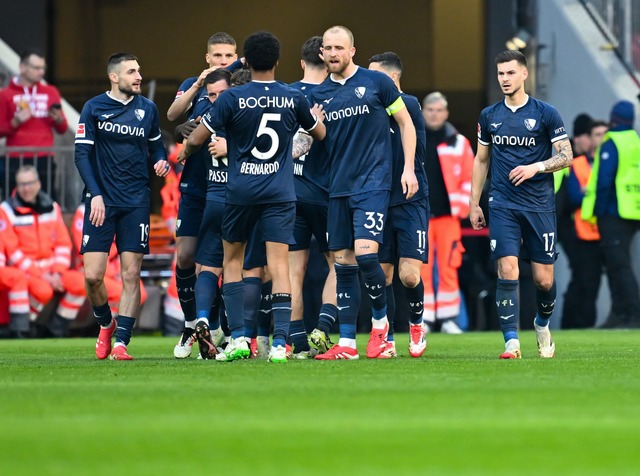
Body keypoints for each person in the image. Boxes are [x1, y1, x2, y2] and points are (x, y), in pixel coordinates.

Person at [178, 31, 326, 363]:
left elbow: (199, 136)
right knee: (278, 265)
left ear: (245, 59)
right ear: (277, 61)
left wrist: (185, 150)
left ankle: (241, 338)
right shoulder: (292, 97)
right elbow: (319, 132)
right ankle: (279, 345)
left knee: (231, 262)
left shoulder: (231, 98)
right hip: (280, 192)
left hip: (241, 191)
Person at [309, 26, 418, 360]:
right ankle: (346, 344)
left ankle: (381, 329)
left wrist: (408, 167)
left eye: (338, 47)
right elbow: (323, 139)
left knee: (367, 255)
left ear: (352, 51)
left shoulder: (377, 83)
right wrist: (313, 126)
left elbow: (405, 123)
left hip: (373, 183)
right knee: (343, 264)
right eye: (327, 48)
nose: (332, 53)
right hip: (338, 187)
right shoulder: (319, 93)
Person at [470, 50, 572, 359]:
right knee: (507, 268)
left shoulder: (546, 114)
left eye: (510, 73)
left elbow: (566, 156)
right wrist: (474, 203)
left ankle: (542, 325)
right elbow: (481, 159)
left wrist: (536, 168)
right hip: (502, 203)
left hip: (539, 206)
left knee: (543, 280)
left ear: (524, 74)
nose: (504, 79)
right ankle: (511, 343)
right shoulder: (489, 116)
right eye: (500, 73)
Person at [74, 52, 170, 360]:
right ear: (114, 77)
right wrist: (96, 194)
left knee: (132, 274)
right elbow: (81, 156)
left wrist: (159, 161)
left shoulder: (148, 109)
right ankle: (106, 322)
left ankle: (122, 343)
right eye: (131, 72)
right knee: (92, 277)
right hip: (101, 202)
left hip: (135, 201)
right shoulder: (94, 108)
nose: (138, 76)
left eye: (139, 70)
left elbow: (156, 146)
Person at [168, 32, 239, 359]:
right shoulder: (196, 87)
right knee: (185, 256)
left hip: (227, 188)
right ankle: (190, 325)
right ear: (207, 58)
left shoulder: (238, 87)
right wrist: (184, 128)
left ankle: (220, 327)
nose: (223, 61)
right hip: (195, 187)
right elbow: (172, 116)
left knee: (223, 263)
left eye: (228, 55)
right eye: (217, 56)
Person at [367, 52, 429, 358]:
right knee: (382, 274)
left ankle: (417, 323)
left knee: (408, 275)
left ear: (391, 79)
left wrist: (406, 169)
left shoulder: (410, 104)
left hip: (409, 199)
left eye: (374, 76)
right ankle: (387, 337)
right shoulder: (368, 108)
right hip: (377, 198)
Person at [287, 35, 337, 359]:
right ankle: (323, 326)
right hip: (325, 191)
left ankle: (296, 340)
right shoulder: (334, 95)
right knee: (340, 262)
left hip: (288, 192)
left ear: (302, 63)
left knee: (293, 270)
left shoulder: (285, 95)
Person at [0, 165, 85, 337]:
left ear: (38, 184)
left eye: (30, 183)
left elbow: (63, 244)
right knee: (43, 290)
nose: (26, 188)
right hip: (26, 271)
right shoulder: (6, 210)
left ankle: (57, 328)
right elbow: (13, 252)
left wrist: (57, 273)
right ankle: (25, 328)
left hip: (53, 270)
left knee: (82, 283)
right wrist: (42, 275)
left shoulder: (52, 208)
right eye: (22, 184)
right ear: (16, 185)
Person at [582, 100, 640, 329]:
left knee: (620, 266)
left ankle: (633, 314)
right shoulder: (636, 141)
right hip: (632, 210)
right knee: (618, 265)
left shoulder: (612, 142)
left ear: (613, 119)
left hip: (614, 212)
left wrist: (598, 210)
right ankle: (619, 314)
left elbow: (605, 180)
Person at [420, 91, 474, 334]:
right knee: (421, 267)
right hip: (420, 215)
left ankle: (450, 318)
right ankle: (424, 318)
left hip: (447, 217)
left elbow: (470, 177)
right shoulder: (414, 137)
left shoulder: (459, 142)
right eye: (430, 110)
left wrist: (461, 209)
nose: (434, 114)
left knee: (449, 265)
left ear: (446, 113)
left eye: (439, 110)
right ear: (423, 111)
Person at [561, 119, 610, 329]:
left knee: (592, 281)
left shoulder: (609, 160)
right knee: (584, 280)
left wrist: (588, 193)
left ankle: (579, 322)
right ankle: (576, 323)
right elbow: (573, 197)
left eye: (604, 134)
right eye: (596, 134)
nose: (600, 139)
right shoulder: (579, 163)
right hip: (582, 233)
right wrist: (597, 195)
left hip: (605, 231)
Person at [0, 49, 68, 199]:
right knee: (13, 203)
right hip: (14, 158)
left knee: (47, 202)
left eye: (43, 68)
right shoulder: (5, 94)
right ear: (22, 67)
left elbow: (62, 128)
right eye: (36, 68)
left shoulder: (51, 91)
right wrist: (15, 122)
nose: (41, 72)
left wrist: (58, 119)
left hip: (44, 157)